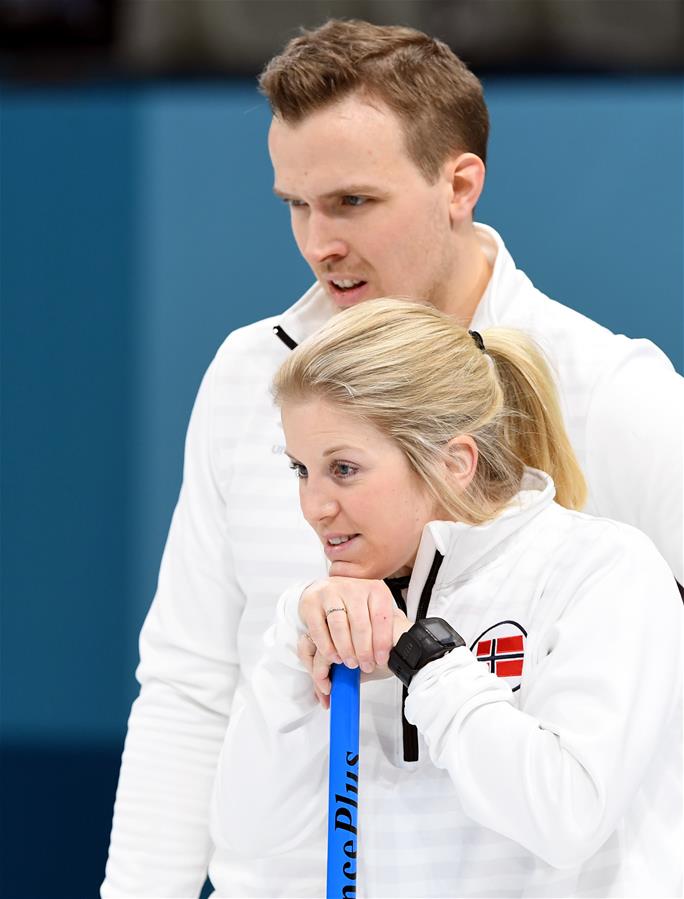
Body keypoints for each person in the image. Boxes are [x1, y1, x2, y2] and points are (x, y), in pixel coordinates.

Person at [102, 19, 683, 898]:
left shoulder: (612, 393)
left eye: (352, 202)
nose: (317, 242)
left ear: (460, 185)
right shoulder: (246, 378)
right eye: (295, 204)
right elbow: (191, 688)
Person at [211, 299, 682, 897]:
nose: (314, 506)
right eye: (301, 470)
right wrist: (289, 645)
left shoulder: (602, 569)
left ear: (454, 462)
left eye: (344, 469)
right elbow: (248, 832)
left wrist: (425, 660)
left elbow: (569, 816)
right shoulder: (349, 600)